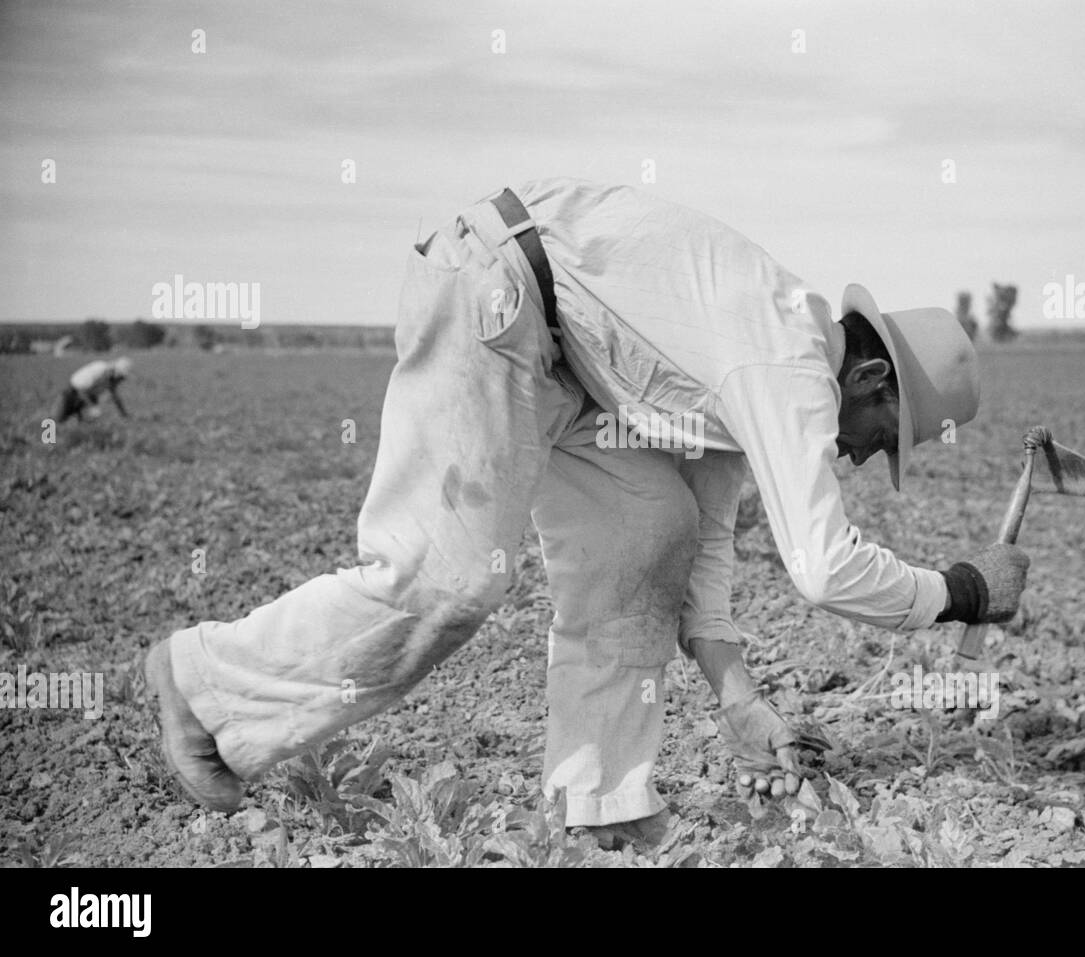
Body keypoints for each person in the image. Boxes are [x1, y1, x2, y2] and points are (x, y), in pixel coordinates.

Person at [145, 177, 1030, 830]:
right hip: (498, 298)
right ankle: (199, 680)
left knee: (652, 533)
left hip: (572, 365)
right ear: (869, 375)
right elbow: (824, 567)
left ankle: (597, 806)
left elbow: (708, 544)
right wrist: (958, 589)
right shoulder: (783, 364)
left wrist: (740, 700)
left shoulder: (753, 368)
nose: (869, 454)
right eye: (886, 433)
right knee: (446, 581)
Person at [55, 356, 132, 422]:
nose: (120, 380)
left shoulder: (111, 379)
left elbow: (115, 397)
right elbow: (81, 391)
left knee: (88, 421)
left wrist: (124, 414)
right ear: (115, 371)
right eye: (120, 377)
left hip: (89, 396)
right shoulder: (99, 369)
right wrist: (92, 406)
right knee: (59, 419)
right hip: (72, 393)